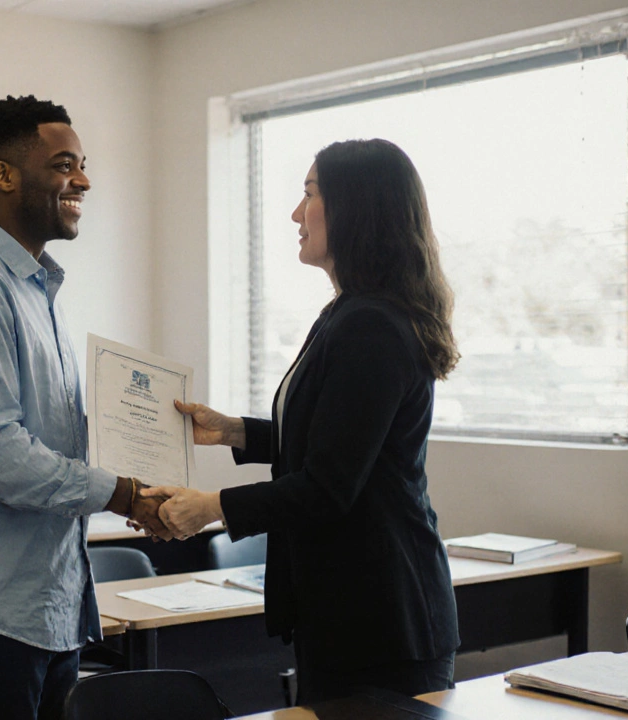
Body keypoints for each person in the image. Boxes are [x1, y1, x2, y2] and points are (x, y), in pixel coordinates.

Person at [147, 139, 461, 702]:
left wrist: (212, 506)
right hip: (353, 610)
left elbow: (329, 485)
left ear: (355, 208)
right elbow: (338, 436)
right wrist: (236, 431)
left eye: (310, 195)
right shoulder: (351, 311)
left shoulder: (371, 326)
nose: (296, 213)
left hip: (381, 617)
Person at [0, 95, 168, 720]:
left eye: (83, 164)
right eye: (64, 163)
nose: (85, 180)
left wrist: (152, 444)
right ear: (4, 175)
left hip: (45, 606)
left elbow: (54, 435)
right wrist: (123, 493)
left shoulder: (35, 288)